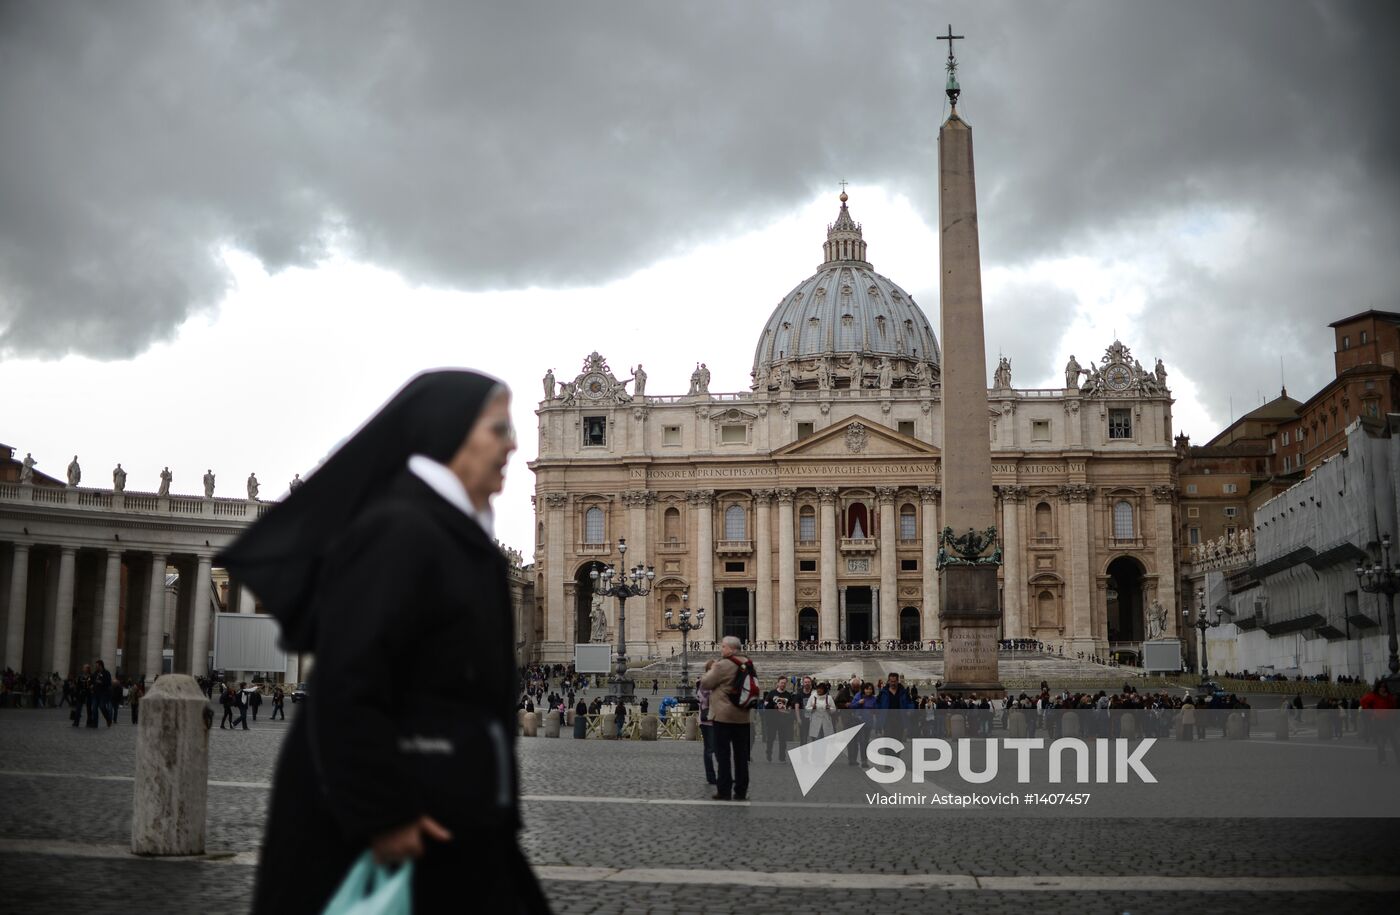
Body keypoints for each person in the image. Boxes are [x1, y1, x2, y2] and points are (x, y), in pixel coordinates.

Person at [219, 370, 549, 914]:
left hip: (454, 813)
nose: (514, 443)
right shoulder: (398, 530)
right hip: (397, 822)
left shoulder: (453, 531)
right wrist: (382, 814)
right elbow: (349, 682)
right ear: (451, 433)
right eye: (498, 428)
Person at [698, 636, 753, 801]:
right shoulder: (748, 664)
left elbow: (705, 683)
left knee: (723, 755)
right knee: (741, 756)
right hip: (743, 716)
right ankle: (741, 791)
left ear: (730, 649)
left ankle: (724, 790)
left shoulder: (723, 665)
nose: (721, 650)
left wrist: (713, 669)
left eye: (723, 647)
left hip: (723, 716)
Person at [697, 660, 718, 785]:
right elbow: (702, 700)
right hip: (708, 720)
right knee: (709, 749)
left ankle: (723, 774)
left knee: (719, 748)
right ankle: (711, 776)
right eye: (715, 667)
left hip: (718, 719)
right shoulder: (704, 682)